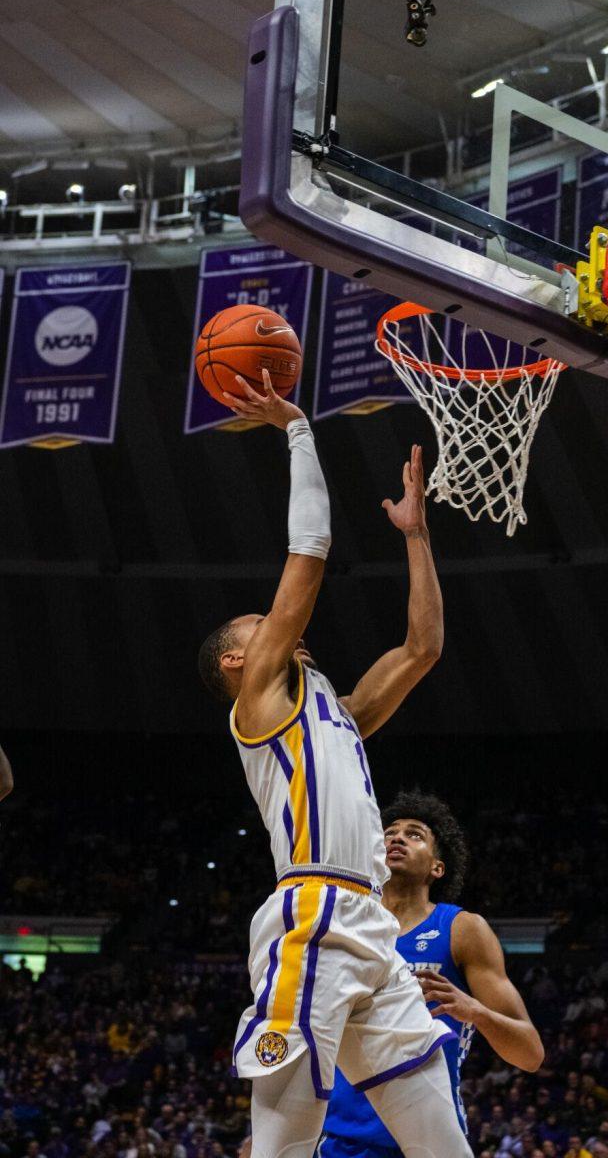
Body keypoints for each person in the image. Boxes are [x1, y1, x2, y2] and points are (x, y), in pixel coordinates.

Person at [197, 372, 471, 1158]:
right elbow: (308, 554)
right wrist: (297, 430)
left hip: (371, 928)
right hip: (310, 917)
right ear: (239, 658)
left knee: (445, 1148)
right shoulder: (258, 703)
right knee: (284, 1150)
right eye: (262, 619)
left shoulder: (337, 714)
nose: (277, 616)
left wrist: (416, 537)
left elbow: (423, 649)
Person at [317, 790, 544, 1156]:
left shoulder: (461, 929)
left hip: (427, 1138)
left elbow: (530, 1053)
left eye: (414, 834)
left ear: (437, 867)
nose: (396, 838)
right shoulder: (343, 929)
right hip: (338, 1140)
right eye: (389, 833)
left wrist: (476, 1012)